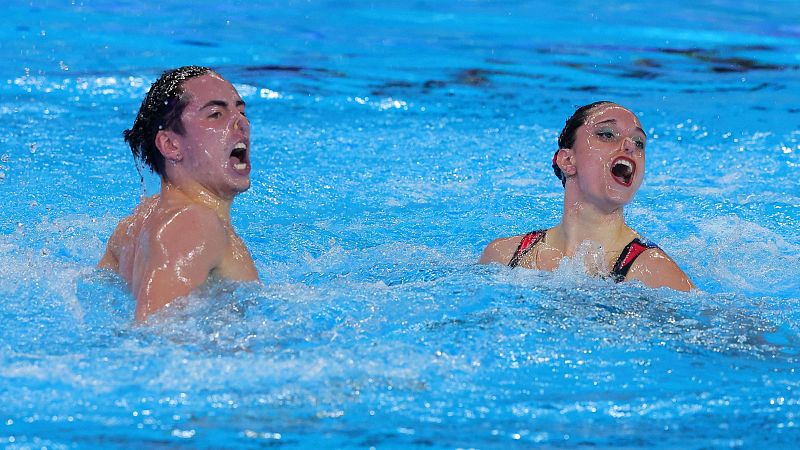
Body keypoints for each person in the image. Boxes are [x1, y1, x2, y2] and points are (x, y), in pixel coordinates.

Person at [98, 66, 259, 321]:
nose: (242, 123)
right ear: (171, 145)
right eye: (216, 114)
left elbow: (98, 295)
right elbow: (153, 336)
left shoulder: (136, 223)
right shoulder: (193, 224)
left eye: (241, 110)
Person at [479, 101, 694, 291]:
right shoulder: (504, 256)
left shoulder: (654, 271)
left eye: (639, 142)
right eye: (607, 134)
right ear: (568, 161)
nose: (629, 145)